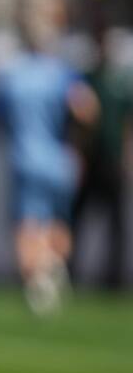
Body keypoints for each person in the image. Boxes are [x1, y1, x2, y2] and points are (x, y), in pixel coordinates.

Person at [0, 0, 94, 315]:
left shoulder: (11, 74)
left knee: (27, 225)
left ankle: (37, 283)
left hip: (25, 157)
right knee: (58, 223)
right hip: (58, 158)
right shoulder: (60, 73)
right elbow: (87, 109)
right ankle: (51, 267)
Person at [69, 23, 130, 291]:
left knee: (116, 224)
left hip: (113, 160)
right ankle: (70, 273)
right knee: (78, 218)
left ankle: (113, 279)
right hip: (92, 160)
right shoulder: (87, 80)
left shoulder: (122, 83)